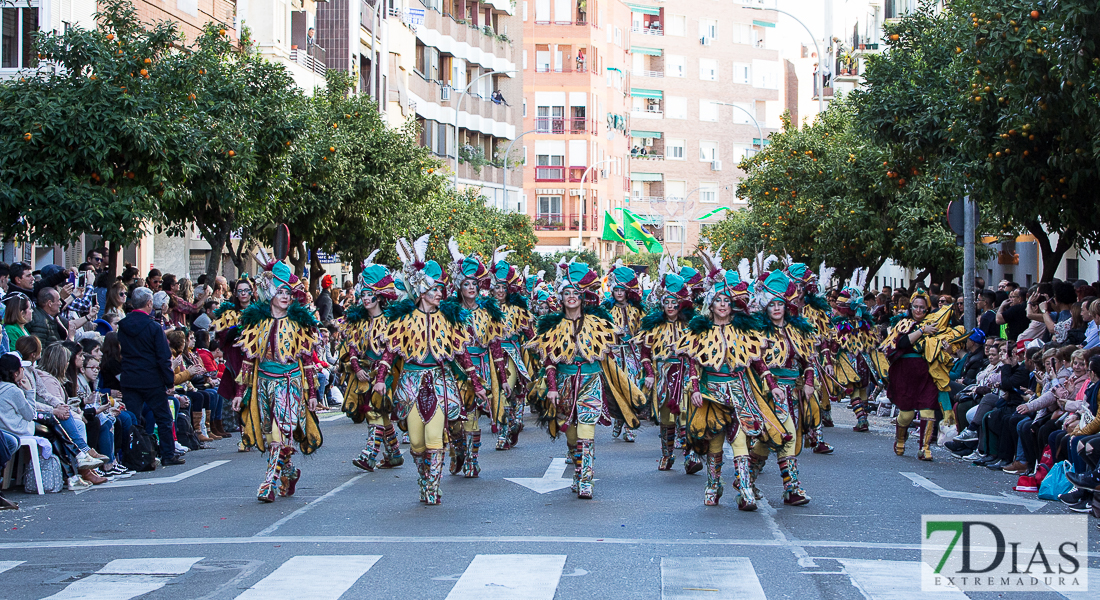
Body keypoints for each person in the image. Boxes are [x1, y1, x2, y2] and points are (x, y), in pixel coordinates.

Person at [371, 235, 488, 504]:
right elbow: (390, 351)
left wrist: (477, 384)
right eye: (435, 289)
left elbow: (462, 354)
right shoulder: (404, 319)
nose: (440, 294)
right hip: (411, 381)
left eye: (441, 290)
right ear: (422, 291)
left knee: (435, 437)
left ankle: (433, 485)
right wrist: (381, 378)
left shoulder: (449, 318)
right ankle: (425, 475)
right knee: (416, 442)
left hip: (439, 381)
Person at [527, 258, 646, 499]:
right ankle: (577, 466)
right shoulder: (552, 326)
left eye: (576, 293)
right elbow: (549, 360)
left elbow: (610, 351)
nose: (571, 296)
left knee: (587, 430)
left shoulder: (599, 323)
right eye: (567, 292)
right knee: (572, 435)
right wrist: (551, 388)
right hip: (564, 384)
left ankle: (585, 479)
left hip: (591, 381)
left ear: (583, 297)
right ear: (560, 297)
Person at [676, 255, 780, 509]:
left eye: (726, 300)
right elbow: (693, 362)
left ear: (733, 305)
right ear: (710, 305)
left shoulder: (745, 332)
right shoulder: (699, 332)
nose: (722, 304)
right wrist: (695, 388)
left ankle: (745, 489)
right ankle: (713, 484)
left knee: (740, 439)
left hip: (739, 389)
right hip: (710, 391)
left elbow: (757, 361)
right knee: (713, 441)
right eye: (718, 300)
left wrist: (772, 385)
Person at [232, 253, 323, 503]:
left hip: (289, 383)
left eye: (288, 292)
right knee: (272, 436)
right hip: (263, 384)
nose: (285, 296)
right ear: (270, 292)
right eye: (281, 291)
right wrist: (240, 394)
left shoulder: (299, 324)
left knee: (280, 434)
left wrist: (312, 394)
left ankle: (269, 483)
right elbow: (248, 361)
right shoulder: (256, 324)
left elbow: (308, 362)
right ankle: (289, 472)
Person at [744, 268, 821, 506]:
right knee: (780, 435)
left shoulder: (798, 330)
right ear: (765, 307)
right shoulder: (757, 330)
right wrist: (769, 383)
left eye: (780, 304)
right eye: (772, 305)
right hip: (768, 392)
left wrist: (809, 383)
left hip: (792, 391)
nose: (777, 309)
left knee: (773, 440)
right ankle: (791, 488)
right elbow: (755, 360)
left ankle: (749, 479)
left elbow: (808, 360)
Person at [443, 239, 509, 478]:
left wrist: (502, 378)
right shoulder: (449, 313)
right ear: (459, 287)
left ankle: (472, 459)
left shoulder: (487, 312)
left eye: (474, 283)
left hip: (482, 366)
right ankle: (458, 451)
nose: (471, 287)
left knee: (474, 416)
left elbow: (495, 346)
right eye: (466, 283)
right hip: (457, 370)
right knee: (455, 418)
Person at [880, 288, 964, 460]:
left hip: (927, 371)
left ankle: (924, 448)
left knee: (928, 411)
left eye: (922, 308)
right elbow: (901, 343)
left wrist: (947, 348)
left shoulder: (935, 324)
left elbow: (947, 345)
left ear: (927, 309)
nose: (919, 311)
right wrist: (922, 331)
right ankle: (900, 438)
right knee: (907, 414)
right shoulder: (903, 322)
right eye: (916, 307)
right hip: (905, 372)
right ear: (911, 307)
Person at [340, 253, 403, 472]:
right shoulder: (358, 321)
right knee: (378, 413)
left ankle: (369, 455)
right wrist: (356, 368)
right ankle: (394, 453)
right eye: (364, 294)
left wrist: (381, 377)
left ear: (380, 296)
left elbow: (390, 351)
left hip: (385, 374)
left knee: (374, 411)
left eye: (370, 294)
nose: (366, 299)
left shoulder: (391, 321)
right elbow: (353, 348)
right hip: (364, 375)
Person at [637, 256, 698, 473]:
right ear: (661, 304)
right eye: (667, 302)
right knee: (665, 417)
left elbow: (696, 353)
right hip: (662, 373)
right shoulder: (653, 326)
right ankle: (667, 454)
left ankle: (690, 456)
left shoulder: (690, 325)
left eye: (674, 302)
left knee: (684, 413)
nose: (671, 306)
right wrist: (649, 374)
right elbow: (645, 353)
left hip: (683, 373)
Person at [118, 287, 186, 466]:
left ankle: (131, 453)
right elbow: (163, 357)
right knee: (163, 417)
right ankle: (167, 454)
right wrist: (169, 380)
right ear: (149, 303)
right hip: (151, 379)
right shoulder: (153, 327)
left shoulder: (123, 325)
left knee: (132, 417)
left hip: (130, 377)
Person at [488, 251, 535, 451]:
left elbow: (531, 334)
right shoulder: (485, 309)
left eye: (503, 287)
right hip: (489, 357)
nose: (500, 291)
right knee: (495, 393)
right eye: (496, 287)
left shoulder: (518, 311)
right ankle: (510, 423)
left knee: (507, 390)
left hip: (512, 355)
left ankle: (504, 432)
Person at [603, 261, 646, 443]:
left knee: (631, 386)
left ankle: (630, 426)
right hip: (613, 354)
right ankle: (619, 419)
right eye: (616, 290)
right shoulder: (606, 309)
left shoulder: (637, 309)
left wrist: (638, 338)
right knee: (615, 389)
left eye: (622, 290)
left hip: (631, 354)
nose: (619, 294)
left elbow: (645, 328)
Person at [213, 277, 253, 452]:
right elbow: (221, 336)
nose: (243, 294)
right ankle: (246, 436)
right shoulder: (229, 313)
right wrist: (234, 333)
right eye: (240, 291)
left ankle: (260, 432)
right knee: (241, 396)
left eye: (246, 290)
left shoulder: (261, 311)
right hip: (238, 358)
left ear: (252, 292)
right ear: (236, 294)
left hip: (258, 359)